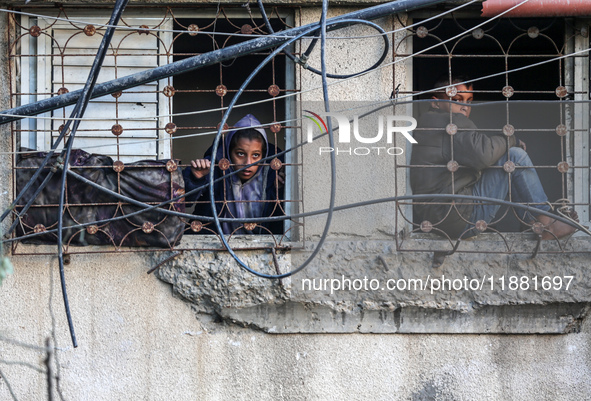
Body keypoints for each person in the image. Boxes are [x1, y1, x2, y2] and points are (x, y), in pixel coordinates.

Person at [410, 76, 577, 240]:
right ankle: (546, 224)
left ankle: (533, 223)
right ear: (435, 102)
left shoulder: (428, 124)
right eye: (458, 99)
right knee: (514, 158)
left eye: (469, 102)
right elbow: (483, 154)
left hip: (437, 218)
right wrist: (511, 139)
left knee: (503, 161)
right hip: (458, 217)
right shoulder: (451, 124)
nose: (464, 107)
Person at [183, 114, 285, 235]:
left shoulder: (271, 176)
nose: (248, 163)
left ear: (264, 155)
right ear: (228, 152)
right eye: (240, 154)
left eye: (256, 155)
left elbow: (280, 223)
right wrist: (196, 178)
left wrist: (279, 190)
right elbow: (183, 203)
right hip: (215, 246)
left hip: (261, 247)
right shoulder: (215, 169)